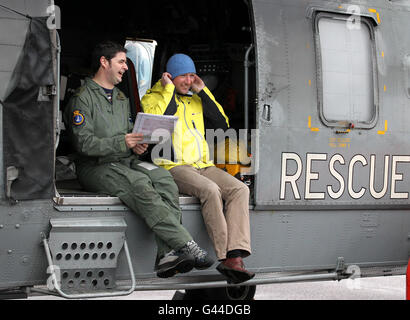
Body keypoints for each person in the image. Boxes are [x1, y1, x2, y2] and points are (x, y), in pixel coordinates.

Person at [64, 42, 214, 279]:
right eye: (121, 62)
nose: (126, 67)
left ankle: (166, 255)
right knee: (140, 185)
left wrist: (138, 145)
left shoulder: (122, 97)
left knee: (163, 178)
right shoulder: (82, 99)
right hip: (97, 166)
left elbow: (127, 133)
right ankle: (186, 244)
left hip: (125, 160)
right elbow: (84, 144)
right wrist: (124, 142)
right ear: (104, 62)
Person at [141, 53, 254, 284]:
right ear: (170, 76)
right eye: (184, 76)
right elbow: (160, 120)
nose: (189, 80)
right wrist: (168, 90)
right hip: (173, 165)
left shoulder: (195, 99)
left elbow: (222, 123)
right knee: (211, 190)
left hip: (202, 164)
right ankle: (225, 258)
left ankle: (236, 255)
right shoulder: (152, 97)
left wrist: (203, 91)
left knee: (240, 189)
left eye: (192, 75)